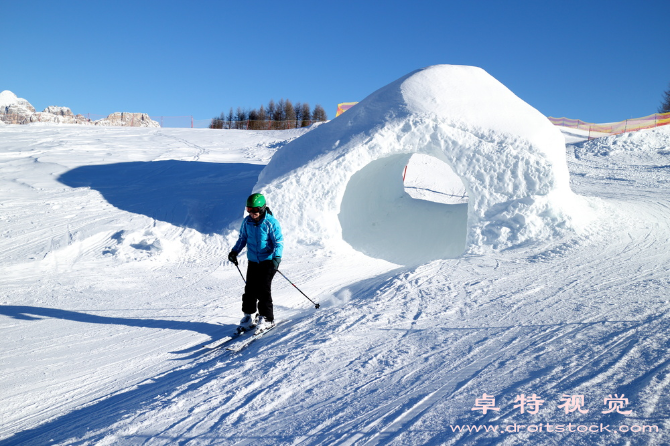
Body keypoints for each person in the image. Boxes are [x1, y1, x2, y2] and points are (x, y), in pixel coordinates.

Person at [228, 193, 283, 333]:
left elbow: (279, 242)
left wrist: (276, 259)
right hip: (253, 261)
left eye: (255, 210)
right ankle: (248, 316)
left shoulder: (271, 223)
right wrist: (234, 252)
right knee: (250, 290)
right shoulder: (247, 222)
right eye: (249, 209)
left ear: (263, 208)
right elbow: (242, 239)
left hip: (268, 261)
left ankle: (267, 318)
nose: (252, 213)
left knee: (263, 290)